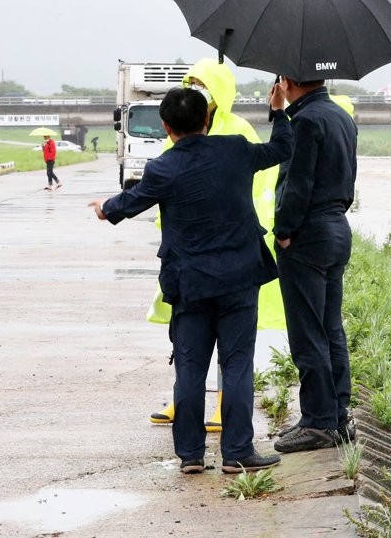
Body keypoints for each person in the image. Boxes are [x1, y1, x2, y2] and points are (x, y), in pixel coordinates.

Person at [89, 86, 292, 474]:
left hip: (190, 284)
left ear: (166, 127)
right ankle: (236, 453)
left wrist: (103, 209)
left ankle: (191, 456)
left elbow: (127, 205)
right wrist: (277, 111)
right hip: (238, 280)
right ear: (206, 119)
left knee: (190, 369)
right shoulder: (236, 149)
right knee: (236, 366)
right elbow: (282, 148)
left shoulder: (163, 167)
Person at [147, 60, 286, 431]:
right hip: (187, 257)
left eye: (201, 83)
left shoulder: (239, 132)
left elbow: (260, 184)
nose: (194, 88)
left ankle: (221, 409)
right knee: (189, 344)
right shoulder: (178, 130)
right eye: (189, 82)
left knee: (233, 350)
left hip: (228, 253)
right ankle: (187, 408)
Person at [272, 76, 358, 454]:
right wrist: (279, 113)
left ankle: (318, 422)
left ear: (287, 80)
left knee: (307, 331)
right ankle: (336, 416)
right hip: (338, 227)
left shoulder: (306, 121)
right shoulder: (341, 116)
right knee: (330, 327)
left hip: (308, 232)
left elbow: (298, 181)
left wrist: (284, 229)